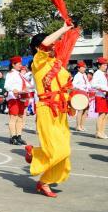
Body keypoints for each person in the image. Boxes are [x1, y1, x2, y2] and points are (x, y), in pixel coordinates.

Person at [24, 24, 77, 197]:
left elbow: (65, 86)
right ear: (40, 49)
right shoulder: (38, 63)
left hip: (61, 111)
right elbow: (46, 43)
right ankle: (36, 154)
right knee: (56, 150)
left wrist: (72, 101)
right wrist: (64, 28)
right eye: (51, 46)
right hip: (47, 109)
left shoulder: (57, 63)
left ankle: (45, 181)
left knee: (65, 151)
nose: (54, 47)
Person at [5, 56, 30, 145]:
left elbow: (27, 84)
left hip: (21, 97)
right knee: (13, 117)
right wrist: (13, 89)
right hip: (14, 98)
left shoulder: (20, 75)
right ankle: (13, 137)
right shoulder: (10, 74)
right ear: (13, 64)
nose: (20, 65)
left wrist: (29, 88)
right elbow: (7, 85)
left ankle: (19, 136)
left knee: (20, 117)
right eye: (19, 64)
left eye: (20, 63)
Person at [92, 57, 108, 139]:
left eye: (106, 65)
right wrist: (104, 88)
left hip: (105, 96)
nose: (105, 66)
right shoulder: (97, 73)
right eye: (104, 65)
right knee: (101, 114)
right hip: (100, 96)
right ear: (99, 66)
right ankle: (98, 132)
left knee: (105, 115)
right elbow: (93, 84)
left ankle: (102, 131)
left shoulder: (103, 74)